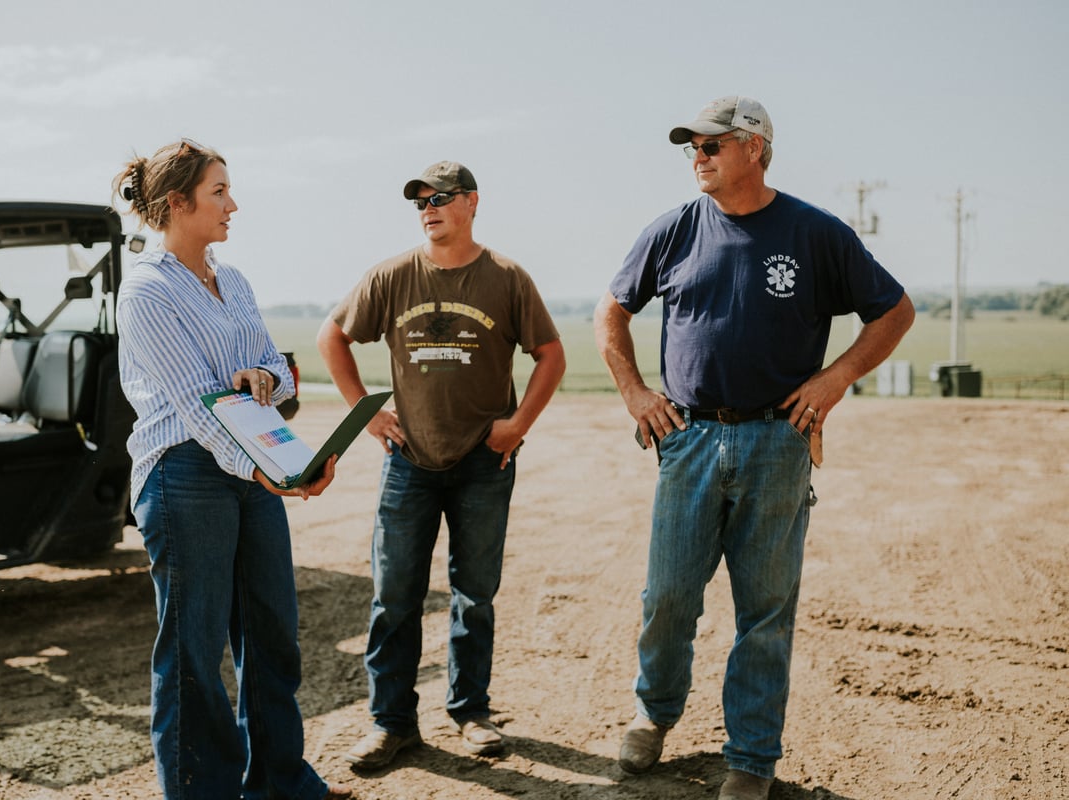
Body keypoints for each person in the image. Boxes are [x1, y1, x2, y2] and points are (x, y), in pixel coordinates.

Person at [594, 97, 915, 800]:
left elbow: (894, 309)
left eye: (713, 145)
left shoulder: (814, 233)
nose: (699, 157)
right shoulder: (675, 229)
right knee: (669, 597)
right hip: (689, 438)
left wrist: (835, 379)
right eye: (693, 148)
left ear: (756, 149)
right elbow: (611, 310)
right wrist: (636, 394)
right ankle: (654, 713)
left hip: (779, 439)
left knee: (765, 611)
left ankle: (751, 757)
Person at [112, 138, 351, 800]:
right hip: (183, 474)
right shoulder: (146, 293)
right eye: (219, 192)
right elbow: (194, 404)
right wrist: (266, 472)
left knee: (273, 635)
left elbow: (275, 363)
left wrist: (263, 379)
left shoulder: (234, 280)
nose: (233, 205)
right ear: (176, 202)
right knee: (193, 654)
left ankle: (280, 782)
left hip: (249, 468)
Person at [317, 161, 566, 769]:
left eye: (441, 197)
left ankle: (471, 713)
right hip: (409, 462)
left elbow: (551, 354)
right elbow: (333, 335)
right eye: (420, 201)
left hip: (485, 461)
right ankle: (392, 724)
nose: (429, 207)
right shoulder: (393, 275)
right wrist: (366, 414)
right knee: (394, 598)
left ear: (472, 202)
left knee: (474, 595)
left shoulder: (505, 278)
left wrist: (518, 425)